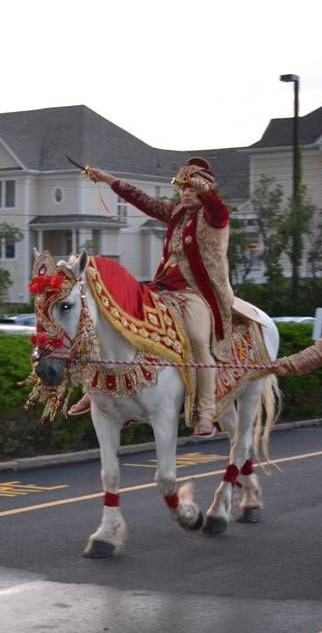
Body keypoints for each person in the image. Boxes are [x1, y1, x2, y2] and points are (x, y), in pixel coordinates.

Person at [68, 158, 233, 438]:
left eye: (191, 188)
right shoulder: (177, 213)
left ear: (204, 189)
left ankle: (206, 411)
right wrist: (108, 178)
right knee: (117, 321)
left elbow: (217, 207)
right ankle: (96, 391)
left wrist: (202, 187)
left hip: (197, 293)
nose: (185, 192)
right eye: (182, 187)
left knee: (196, 339)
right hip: (163, 287)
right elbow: (141, 199)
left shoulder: (214, 216)